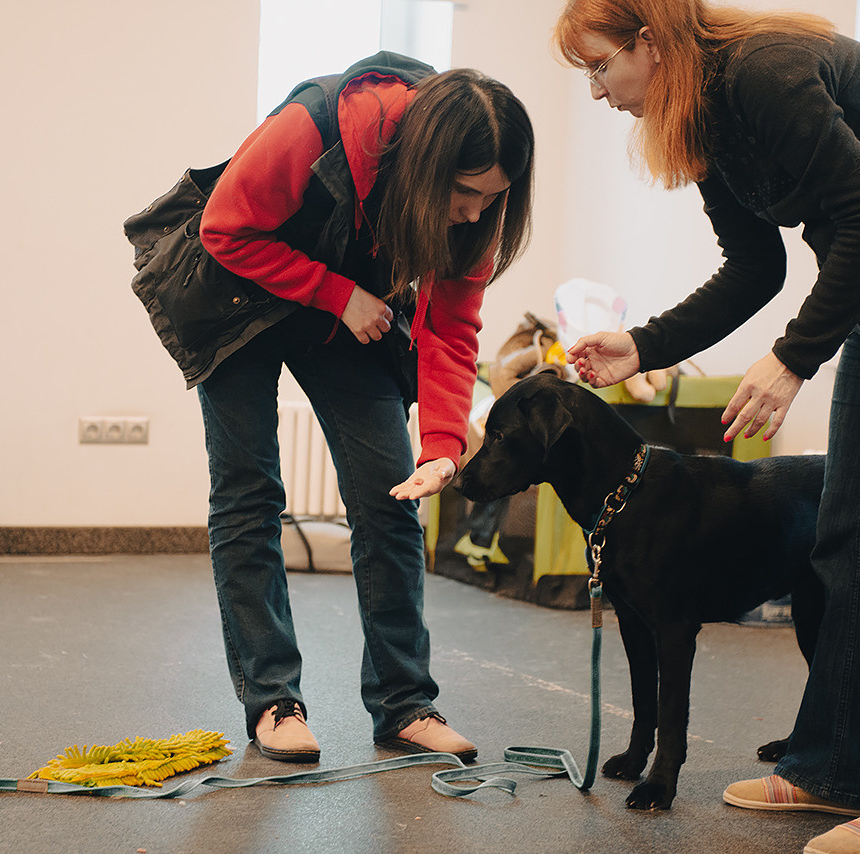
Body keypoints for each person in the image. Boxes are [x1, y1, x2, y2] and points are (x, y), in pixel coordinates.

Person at [554, 2, 860, 852]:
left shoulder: (765, 72)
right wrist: (645, 344)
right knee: (848, 538)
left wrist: (794, 357)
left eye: (601, 66)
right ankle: (833, 767)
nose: (599, 92)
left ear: (651, 41)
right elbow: (754, 266)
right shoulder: (702, 119)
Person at [194, 52, 535, 765]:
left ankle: (405, 704)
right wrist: (336, 293)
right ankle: (273, 700)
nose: (476, 212)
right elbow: (224, 229)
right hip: (242, 291)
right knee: (249, 494)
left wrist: (443, 446)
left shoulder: (475, 212)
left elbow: (451, 328)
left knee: (391, 498)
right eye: (465, 192)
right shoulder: (312, 127)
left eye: (493, 197)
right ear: (427, 162)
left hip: (349, 314)